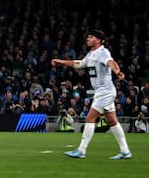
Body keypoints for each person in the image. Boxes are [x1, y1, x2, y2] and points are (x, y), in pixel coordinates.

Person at [51, 29, 132, 159]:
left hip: (105, 91)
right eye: (88, 37)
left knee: (90, 118)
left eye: (91, 37)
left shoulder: (102, 52)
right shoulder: (91, 54)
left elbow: (110, 62)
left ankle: (81, 150)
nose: (88, 39)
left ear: (98, 40)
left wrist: (117, 71)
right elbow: (80, 64)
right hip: (103, 91)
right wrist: (62, 62)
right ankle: (125, 151)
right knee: (112, 121)